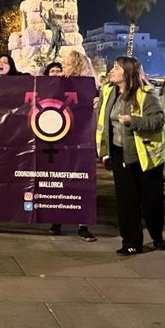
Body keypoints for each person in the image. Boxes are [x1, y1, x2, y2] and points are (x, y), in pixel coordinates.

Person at [97, 56, 165, 255]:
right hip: (119, 154)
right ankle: (131, 242)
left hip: (145, 156)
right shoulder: (108, 91)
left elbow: (158, 121)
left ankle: (156, 235)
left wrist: (133, 121)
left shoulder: (146, 93)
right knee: (126, 200)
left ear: (127, 73)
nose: (111, 70)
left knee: (151, 200)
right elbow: (103, 120)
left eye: (116, 68)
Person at [46, 51, 97, 241]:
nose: (63, 68)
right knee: (60, 180)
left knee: (81, 180)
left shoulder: (88, 87)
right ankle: (58, 219)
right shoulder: (61, 84)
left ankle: (82, 223)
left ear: (75, 66)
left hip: (81, 140)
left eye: (67, 64)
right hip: (61, 140)